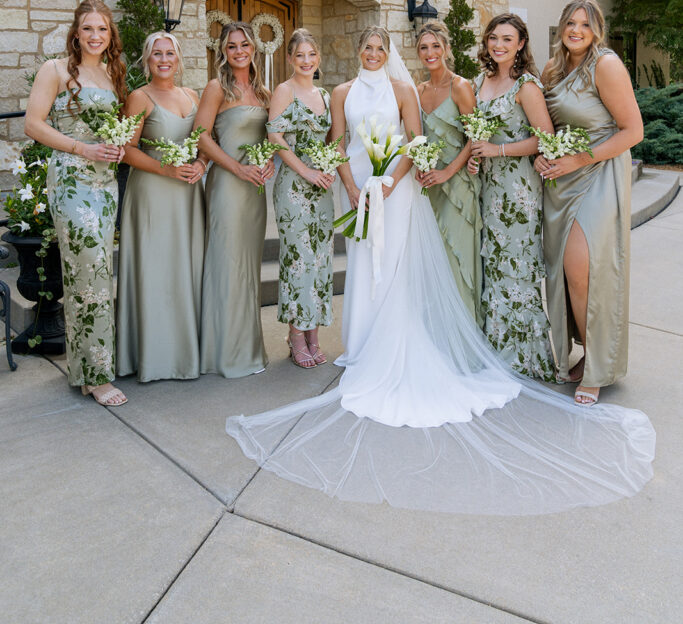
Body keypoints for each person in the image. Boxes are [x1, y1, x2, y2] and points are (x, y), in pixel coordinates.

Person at [225, 27, 654, 515]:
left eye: (380, 48)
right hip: (362, 189)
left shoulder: (416, 89)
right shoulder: (339, 93)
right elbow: (339, 142)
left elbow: (418, 140)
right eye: (367, 48)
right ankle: (360, 343)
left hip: (407, 188)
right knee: (368, 267)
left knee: (420, 269)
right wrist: (353, 185)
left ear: (392, 55)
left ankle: (522, 354)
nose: (373, 54)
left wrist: (405, 179)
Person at [536, 0, 643, 406]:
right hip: (559, 179)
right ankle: (582, 353)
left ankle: (598, 366)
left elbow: (633, 131)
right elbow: (547, 126)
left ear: (597, 29)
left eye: (585, 24)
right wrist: (542, 154)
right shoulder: (552, 68)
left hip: (598, 173)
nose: (576, 30)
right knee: (564, 274)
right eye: (570, 23)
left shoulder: (607, 65)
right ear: (561, 26)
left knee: (583, 270)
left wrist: (578, 159)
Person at [24, 0, 128, 406]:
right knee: (88, 271)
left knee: (97, 273)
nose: (95, 36)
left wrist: (116, 148)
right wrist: (82, 149)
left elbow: (113, 127)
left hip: (105, 184)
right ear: (76, 32)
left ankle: (88, 369)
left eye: (102, 29)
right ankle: (96, 375)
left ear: (110, 35)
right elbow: (33, 124)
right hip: (71, 180)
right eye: (88, 29)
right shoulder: (55, 70)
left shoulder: (111, 72)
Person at [468, 14, 556, 381]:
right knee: (492, 265)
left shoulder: (526, 86)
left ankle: (523, 356)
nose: (499, 45)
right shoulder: (479, 81)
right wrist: (475, 156)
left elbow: (545, 138)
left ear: (521, 44)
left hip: (518, 192)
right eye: (493, 38)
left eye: (507, 39)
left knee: (516, 266)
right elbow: (475, 136)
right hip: (486, 189)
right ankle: (494, 349)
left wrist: (498, 151)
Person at [116, 32, 205, 382]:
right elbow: (127, 149)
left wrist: (201, 164)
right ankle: (153, 356)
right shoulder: (139, 98)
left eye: (170, 53)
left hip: (187, 194)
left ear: (179, 59)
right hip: (152, 192)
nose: (164, 59)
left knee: (185, 267)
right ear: (147, 59)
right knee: (155, 269)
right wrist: (166, 168)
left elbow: (201, 143)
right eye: (157, 54)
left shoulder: (193, 95)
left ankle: (186, 351)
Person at [195, 21, 274, 378]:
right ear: (223, 52)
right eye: (231, 46)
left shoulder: (264, 92)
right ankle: (223, 353)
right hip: (227, 186)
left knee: (248, 268)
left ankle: (249, 348)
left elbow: (272, 137)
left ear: (253, 48)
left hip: (255, 191)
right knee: (226, 265)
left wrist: (269, 158)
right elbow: (201, 137)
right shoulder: (216, 88)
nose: (239, 51)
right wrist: (237, 169)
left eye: (244, 45)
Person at [267, 29, 335, 368]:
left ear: (318, 58)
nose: (306, 61)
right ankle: (295, 334)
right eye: (300, 55)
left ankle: (314, 333)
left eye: (312, 55)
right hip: (294, 187)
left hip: (322, 187)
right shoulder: (285, 90)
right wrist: (306, 171)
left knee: (320, 260)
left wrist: (329, 166)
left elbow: (331, 140)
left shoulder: (324, 93)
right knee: (298, 260)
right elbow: (275, 136)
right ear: (290, 59)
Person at [415, 22, 483, 324]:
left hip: (457, 185)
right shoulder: (419, 90)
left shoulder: (461, 86)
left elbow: (475, 137)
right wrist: (421, 165)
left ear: (446, 49)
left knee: (457, 258)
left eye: (435, 46)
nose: (430, 53)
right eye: (424, 47)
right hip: (428, 187)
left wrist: (447, 174)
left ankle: (464, 336)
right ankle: (438, 334)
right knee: (434, 260)